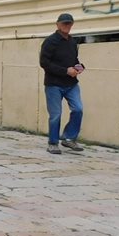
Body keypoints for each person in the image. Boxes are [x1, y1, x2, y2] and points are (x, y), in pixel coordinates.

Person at [40, 12, 85, 154]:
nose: (67, 26)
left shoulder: (72, 42)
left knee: (78, 109)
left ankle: (69, 138)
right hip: (54, 84)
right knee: (56, 115)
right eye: (64, 23)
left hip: (71, 84)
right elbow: (44, 63)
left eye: (69, 23)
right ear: (58, 24)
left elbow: (74, 59)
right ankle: (53, 143)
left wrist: (79, 67)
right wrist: (65, 71)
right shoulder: (50, 41)